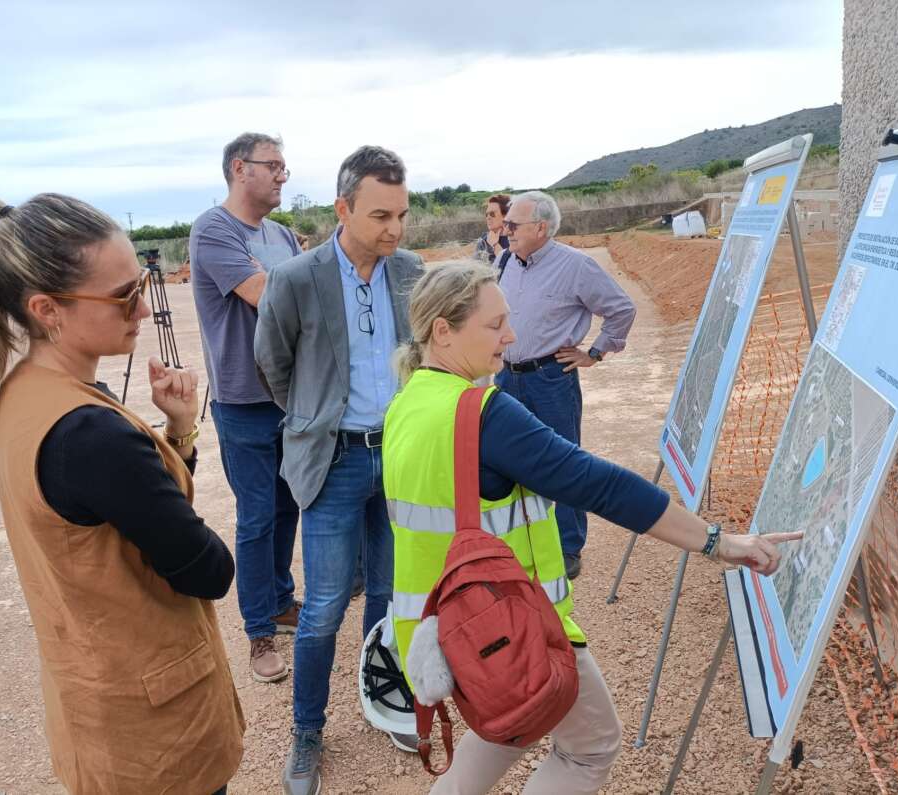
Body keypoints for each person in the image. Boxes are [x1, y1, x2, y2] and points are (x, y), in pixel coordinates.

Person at [384, 261, 801, 794]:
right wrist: (718, 541)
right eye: (495, 325)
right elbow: (598, 484)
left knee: (510, 725)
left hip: (444, 629)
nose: (510, 336)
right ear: (443, 330)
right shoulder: (484, 412)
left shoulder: (407, 403)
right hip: (513, 624)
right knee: (590, 748)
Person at [0, 194, 245, 794]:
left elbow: (118, 517)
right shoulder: (89, 432)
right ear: (47, 309)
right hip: (156, 729)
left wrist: (176, 433)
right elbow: (208, 569)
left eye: (138, 282)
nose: (142, 306)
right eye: (121, 295)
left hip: (95, 704)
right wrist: (179, 440)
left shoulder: (18, 393)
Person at [255, 145, 424, 795]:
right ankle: (307, 730)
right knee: (324, 605)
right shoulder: (296, 279)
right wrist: (316, 416)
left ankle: (386, 698)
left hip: (401, 457)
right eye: (381, 214)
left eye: (402, 214)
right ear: (343, 208)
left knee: (387, 593)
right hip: (335, 461)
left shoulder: (408, 270)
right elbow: (273, 366)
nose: (394, 229)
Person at [191, 132, 302, 685]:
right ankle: (259, 631)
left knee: (289, 507)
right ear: (240, 168)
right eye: (274, 165)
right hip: (245, 399)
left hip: (291, 396)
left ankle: (281, 602)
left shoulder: (281, 233)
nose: (284, 174)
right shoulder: (215, 229)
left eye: (285, 165)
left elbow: (310, 291)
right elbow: (268, 294)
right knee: (258, 516)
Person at [497, 190, 637, 579]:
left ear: (540, 228)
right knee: (505, 460)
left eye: (513, 225)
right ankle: (517, 540)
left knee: (563, 461)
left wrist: (594, 353)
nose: (506, 231)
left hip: (550, 378)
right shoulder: (505, 260)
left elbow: (621, 309)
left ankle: (567, 546)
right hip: (507, 377)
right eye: (506, 224)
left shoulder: (576, 266)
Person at [473, 193, 510, 265]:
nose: (488, 217)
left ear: (506, 215)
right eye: (486, 214)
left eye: (492, 214)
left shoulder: (516, 239)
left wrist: (495, 245)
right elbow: (476, 267)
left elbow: (513, 268)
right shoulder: (484, 240)